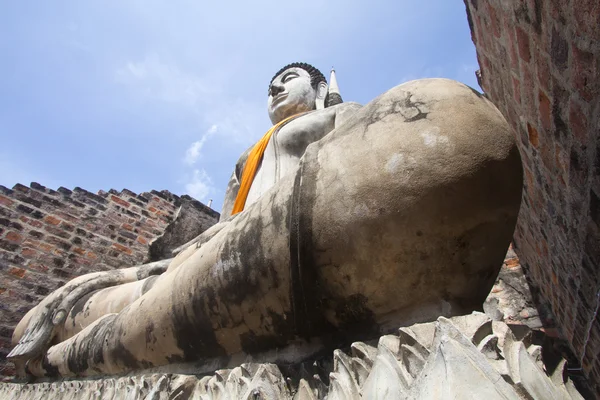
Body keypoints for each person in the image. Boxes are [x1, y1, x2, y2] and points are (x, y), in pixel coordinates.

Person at [10, 63, 522, 377]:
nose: (277, 88)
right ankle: (73, 352)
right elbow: (222, 222)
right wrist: (130, 274)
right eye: (271, 85)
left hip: (292, 233)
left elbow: (366, 170)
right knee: (71, 309)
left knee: (448, 122)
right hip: (215, 254)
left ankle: (71, 360)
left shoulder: (339, 116)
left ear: (321, 91)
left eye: (290, 79)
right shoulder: (245, 159)